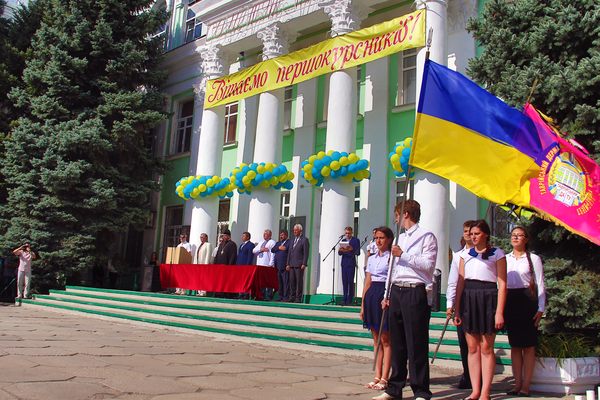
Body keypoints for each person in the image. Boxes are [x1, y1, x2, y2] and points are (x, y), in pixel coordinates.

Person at [376, 200, 438, 400]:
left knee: (416, 342)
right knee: (397, 342)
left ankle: (421, 390)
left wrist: (404, 255)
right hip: (396, 289)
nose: (396, 220)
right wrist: (386, 294)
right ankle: (395, 387)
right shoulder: (399, 238)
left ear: (405, 214)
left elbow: (428, 266)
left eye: (397, 215)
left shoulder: (426, 236)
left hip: (414, 290)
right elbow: (392, 268)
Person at [454, 219, 507, 400]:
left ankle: (485, 391)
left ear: (485, 234)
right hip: (469, 298)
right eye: (471, 234)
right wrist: (457, 308)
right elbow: (460, 283)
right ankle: (475, 390)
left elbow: (502, 283)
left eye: (477, 233)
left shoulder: (497, 254)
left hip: (488, 297)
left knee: (486, 347)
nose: (473, 237)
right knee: (472, 347)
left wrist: (499, 312)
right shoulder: (465, 255)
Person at [505, 226, 545, 397]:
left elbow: (540, 283)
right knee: (515, 345)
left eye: (519, 235)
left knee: (528, 346)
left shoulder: (533, 259)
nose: (515, 238)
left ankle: (526, 385)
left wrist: (541, 308)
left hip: (527, 301)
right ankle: (517, 384)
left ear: (526, 239)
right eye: (513, 235)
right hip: (510, 301)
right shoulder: (505, 258)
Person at [360, 226, 394, 391]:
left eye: (382, 238)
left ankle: (385, 377)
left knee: (386, 338)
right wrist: (362, 305)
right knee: (376, 339)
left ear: (388, 239)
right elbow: (367, 281)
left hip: (384, 294)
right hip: (372, 295)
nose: (378, 241)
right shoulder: (372, 258)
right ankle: (377, 375)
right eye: (377, 238)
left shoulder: (391, 258)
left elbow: (392, 279)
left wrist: (388, 298)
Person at [446, 220, 477, 390]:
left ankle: (478, 375)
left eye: (471, 231)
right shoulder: (458, 256)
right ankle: (467, 374)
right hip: (462, 300)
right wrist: (450, 304)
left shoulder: (485, 254)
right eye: (466, 231)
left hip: (480, 298)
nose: (468, 234)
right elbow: (453, 281)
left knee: (478, 341)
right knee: (463, 341)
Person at [286, 223, 309, 303]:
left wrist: (304, 263)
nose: (294, 232)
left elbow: (306, 253)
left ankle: (298, 298)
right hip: (291, 264)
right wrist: (287, 264)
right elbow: (289, 252)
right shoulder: (292, 240)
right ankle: (291, 297)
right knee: (292, 281)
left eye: (296, 230)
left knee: (299, 282)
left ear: (300, 231)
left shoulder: (304, 240)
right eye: (294, 230)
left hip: (299, 264)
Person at [338, 226, 360, 305]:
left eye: (349, 233)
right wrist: (340, 250)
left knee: (350, 281)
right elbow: (340, 253)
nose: (347, 235)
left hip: (351, 263)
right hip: (344, 263)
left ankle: (350, 299)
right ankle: (344, 299)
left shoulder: (355, 240)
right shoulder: (343, 241)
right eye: (346, 233)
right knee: (344, 281)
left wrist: (351, 249)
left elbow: (358, 252)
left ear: (352, 233)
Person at [272, 229, 291, 301]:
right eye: (280, 235)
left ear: (286, 235)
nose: (281, 236)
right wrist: (278, 248)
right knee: (279, 282)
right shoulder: (278, 243)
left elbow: (289, 251)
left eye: (282, 235)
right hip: (277, 265)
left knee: (285, 282)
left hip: (284, 265)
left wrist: (288, 264)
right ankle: (280, 296)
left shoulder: (289, 242)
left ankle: (286, 297)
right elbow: (272, 250)